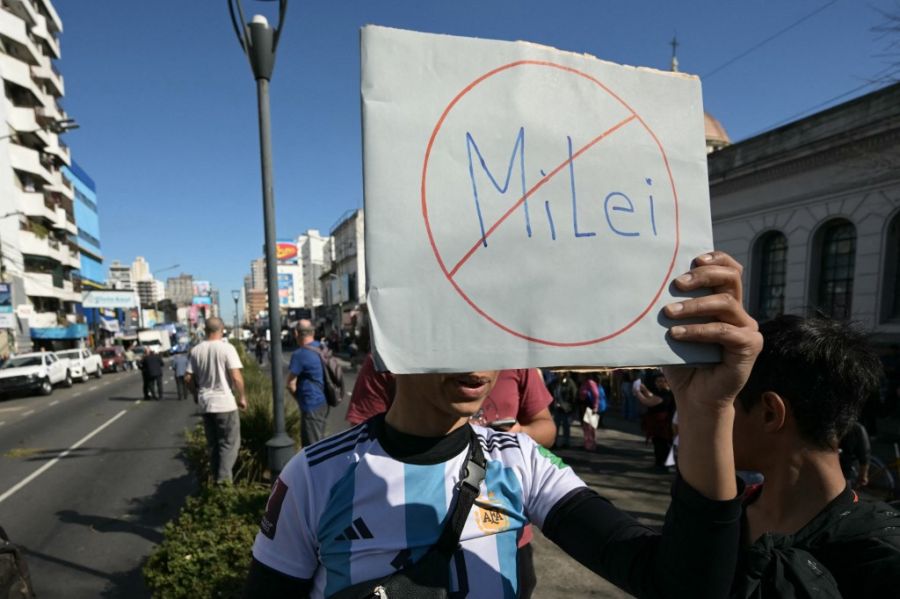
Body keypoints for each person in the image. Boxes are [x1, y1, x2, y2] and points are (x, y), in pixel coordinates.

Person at [244, 252, 764, 598]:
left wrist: (706, 412)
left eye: (494, 334)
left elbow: (682, 585)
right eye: (455, 332)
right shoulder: (315, 475)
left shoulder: (519, 460)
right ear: (392, 342)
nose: (480, 362)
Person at [730, 315, 900, 598]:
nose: (713, 418)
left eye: (726, 402)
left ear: (770, 413)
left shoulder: (879, 559)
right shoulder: (720, 519)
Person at [347, 356, 556, 448]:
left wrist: (518, 436)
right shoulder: (386, 361)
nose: (475, 371)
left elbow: (546, 428)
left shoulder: (517, 361)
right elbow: (362, 442)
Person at [185, 317, 247, 484]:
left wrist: (195, 394)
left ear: (205, 330)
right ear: (222, 329)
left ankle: (214, 479)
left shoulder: (196, 350)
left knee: (213, 445)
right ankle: (223, 482)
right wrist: (242, 397)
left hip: (206, 404)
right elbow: (236, 377)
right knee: (229, 444)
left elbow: (187, 378)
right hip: (225, 404)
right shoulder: (227, 349)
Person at [287, 319, 330, 446]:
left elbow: (290, 384)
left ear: (296, 333)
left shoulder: (299, 354)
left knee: (312, 447)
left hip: (311, 403)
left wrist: (299, 399)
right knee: (319, 439)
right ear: (313, 332)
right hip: (324, 400)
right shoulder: (322, 348)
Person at [636, 371, 676, 470]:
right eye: (657, 381)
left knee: (663, 444)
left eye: (662, 381)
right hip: (659, 423)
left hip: (663, 423)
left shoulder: (667, 394)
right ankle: (660, 463)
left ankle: (663, 465)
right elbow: (651, 396)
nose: (659, 383)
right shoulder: (661, 392)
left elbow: (648, 402)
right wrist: (644, 389)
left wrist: (637, 392)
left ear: (667, 382)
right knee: (658, 442)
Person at [548, 370, 577, 448]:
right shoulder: (554, 383)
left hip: (566, 408)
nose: (558, 374)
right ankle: (554, 442)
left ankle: (566, 443)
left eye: (560, 372)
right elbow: (549, 392)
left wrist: (571, 408)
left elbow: (574, 395)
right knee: (555, 426)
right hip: (556, 408)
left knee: (566, 426)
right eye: (557, 372)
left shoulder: (569, 383)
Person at [578, 373, 601, 451]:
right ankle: (587, 444)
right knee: (585, 426)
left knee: (591, 427)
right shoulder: (583, 383)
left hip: (590, 407)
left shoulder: (590, 382)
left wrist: (595, 407)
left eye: (581, 375)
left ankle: (592, 445)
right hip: (584, 407)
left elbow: (596, 394)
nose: (579, 376)